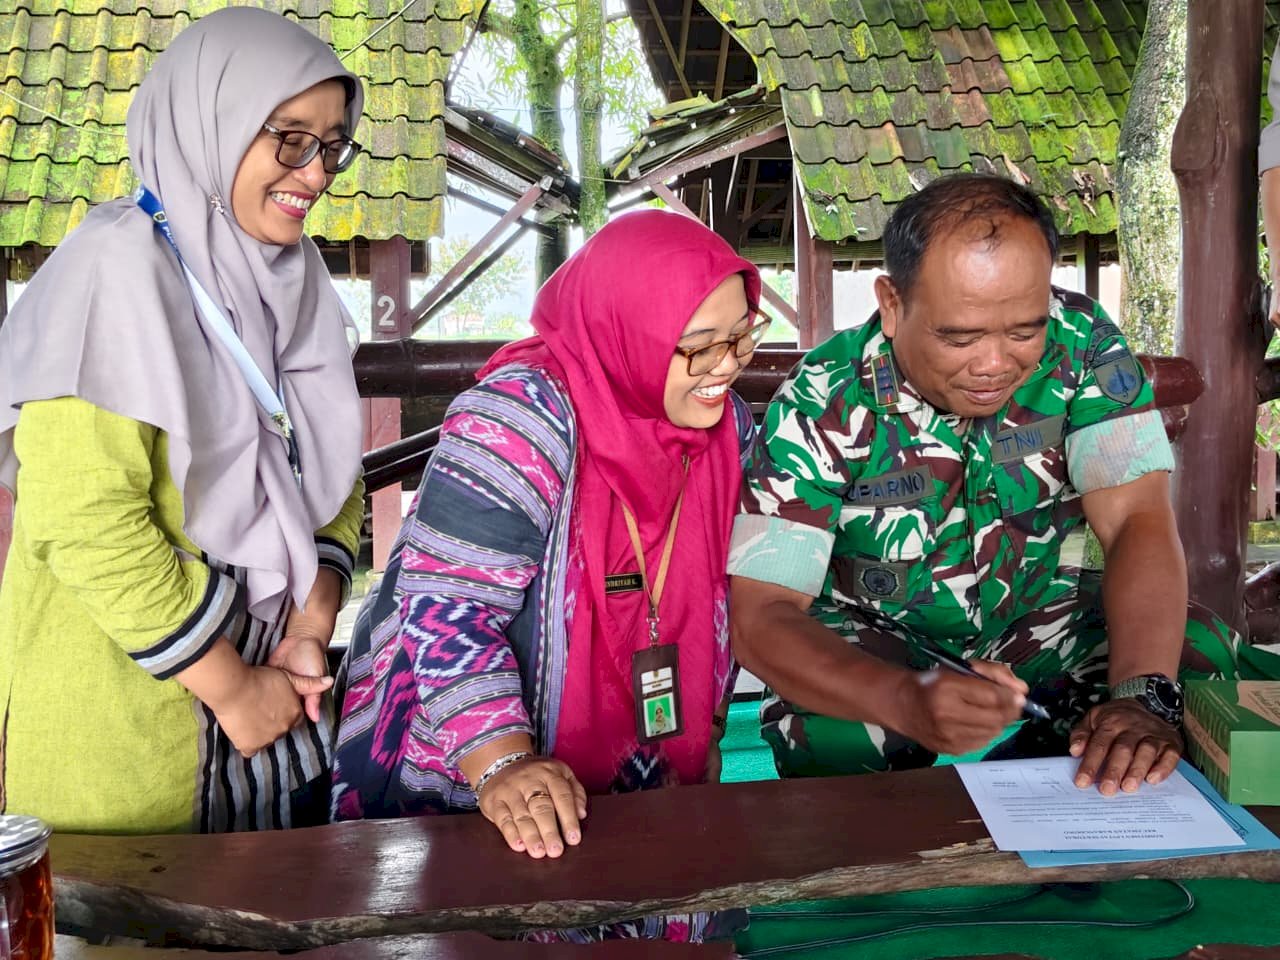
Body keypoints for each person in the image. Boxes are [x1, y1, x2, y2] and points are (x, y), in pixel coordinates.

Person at [729, 173, 1254, 796]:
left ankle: (1040, 757)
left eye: (1024, 331)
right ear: (892, 305)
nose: (994, 364)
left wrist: (1141, 696)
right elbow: (762, 615)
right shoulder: (821, 398)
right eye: (959, 336)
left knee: (1191, 660)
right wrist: (905, 699)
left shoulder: (1084, 346)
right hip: (886, 642)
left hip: (1040, 626)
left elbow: (1136, 519)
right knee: (835, 742)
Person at [331, 209, 764, 940]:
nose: (724, 365)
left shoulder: (726, 429)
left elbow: (716, 600)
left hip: (644, 755)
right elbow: (445, 612)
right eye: (695, 346)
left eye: (741, 336)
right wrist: (503, 765)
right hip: (471, 759)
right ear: (628, 331)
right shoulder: (519, 418)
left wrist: (707, 726)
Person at [0, 7, 366, 834]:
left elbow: (330, 465)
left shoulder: (291, 278)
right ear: (213, 121)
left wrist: (311, 623)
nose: (313, 174)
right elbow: (87, 519)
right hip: (131, 754)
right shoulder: (112, 272)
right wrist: (231, 686)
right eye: (289, 138)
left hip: (277, 729)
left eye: (332, 144)